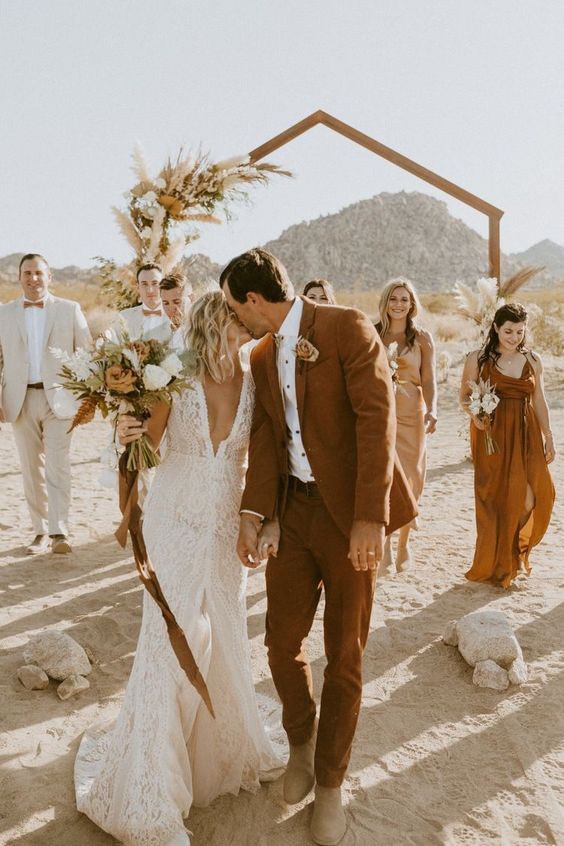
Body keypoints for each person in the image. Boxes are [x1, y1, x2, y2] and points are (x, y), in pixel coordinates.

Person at [220, 248, 416, 846]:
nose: (236, 319)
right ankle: (302, 741)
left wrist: (368, 521)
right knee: (280, 643)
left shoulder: (346, 326)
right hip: (295, 516)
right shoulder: (257, 356)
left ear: (254, 300)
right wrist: (259, 515)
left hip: (351, 518)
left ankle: (331, 784)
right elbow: (266, 438)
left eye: (236, 307)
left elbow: (376, 421)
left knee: (345, 654)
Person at [75, 291, 283, 846]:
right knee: (169, 643)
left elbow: (260, 457)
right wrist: (125, 430)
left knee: (226, 632)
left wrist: (260, 520)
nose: (248, 329)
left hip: (223, 529)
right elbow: (146, 446)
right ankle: (153, 792)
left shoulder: (256, 381)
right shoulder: (175, 380)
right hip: (172, 524)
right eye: (239, 322)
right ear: (218, 324)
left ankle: (212, 759)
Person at [0, 253, 91, 554]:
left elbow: (86, 355)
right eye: (27, 273)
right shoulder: (5, 313)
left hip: (61, 402)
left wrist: (87, 398)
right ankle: (39, 531)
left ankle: (59, 531)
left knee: (58, 466)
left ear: (50, 277)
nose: (33, 278)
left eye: (39, 273)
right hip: (19, 399)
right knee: (30, 468)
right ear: (19, 277)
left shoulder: (70, 309)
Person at [460, 302, 555, 588]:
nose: (514, 337)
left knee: (535, 496)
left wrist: (549, 436)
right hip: (492, 434)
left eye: (520, 331)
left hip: (527, 434)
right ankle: (498, 562)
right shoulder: (478, 358)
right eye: (509, 331)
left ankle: (513, 552)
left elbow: (539, 399)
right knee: (494, 498)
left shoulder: (533, 360)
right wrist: (475, 416)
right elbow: (465, 395)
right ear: (496, 328)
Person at [375, 278, 437, 572]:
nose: (399, 304)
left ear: (412, 304)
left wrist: (433, 409)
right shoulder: (372, 334)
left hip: (413, 414)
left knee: (412, 478)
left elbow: (429, 379)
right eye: (394, 299)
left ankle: (404, 544)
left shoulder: (422, 338)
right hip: (380, 415)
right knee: (385, 477)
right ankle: (386, 543)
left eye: (404, 299)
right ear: (385, 302)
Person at [115, 262, 171, 341]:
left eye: (155, 283)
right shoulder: (123, 317)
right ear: (138, 287)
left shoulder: (174, 317)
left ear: (163, 285)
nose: (150, 290)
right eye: (144, 284)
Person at [159, 272, 193, 351]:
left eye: (177, 302)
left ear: (191, 298)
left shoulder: (201, 330)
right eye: (166, 303)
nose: (171, 308)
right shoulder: (158, 334)